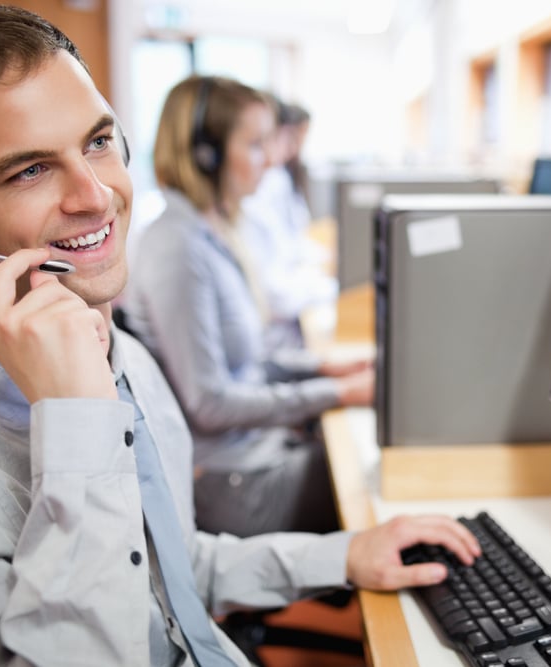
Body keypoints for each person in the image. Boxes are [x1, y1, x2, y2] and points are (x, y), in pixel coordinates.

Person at [0, 5, 479, 666]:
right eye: (29, 170)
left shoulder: (129, 360)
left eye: (98, 142)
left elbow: (166, 569)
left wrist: (343, 554)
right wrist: (77, 424)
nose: (96, 195)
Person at [124, 77, 368, 538]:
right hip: (232, 483)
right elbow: (210, 403)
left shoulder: (212, 231)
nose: (272, 159)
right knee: (365, 478)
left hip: (257, 452)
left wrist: (326, 370)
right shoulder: (177, 247)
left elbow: (250, 363)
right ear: (206, 155)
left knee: (358, 449)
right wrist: (337, 393)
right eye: (256, 145)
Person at [240, 99, 336, 351]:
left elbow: (290, 246)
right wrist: (330, 288)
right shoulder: (255, 196)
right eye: (257, 143)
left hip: (280, 331)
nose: (271, 157)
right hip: (273, 339)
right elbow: (275, 294)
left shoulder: (279, 179)